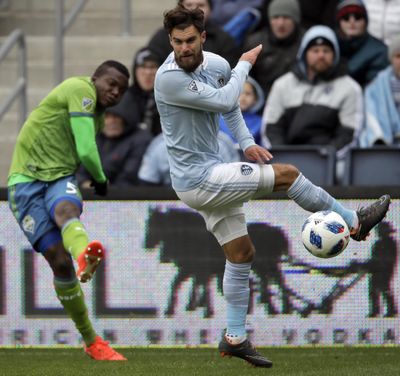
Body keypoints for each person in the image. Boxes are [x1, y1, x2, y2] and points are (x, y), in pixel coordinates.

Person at [154, 5, 390, 367]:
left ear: (202, 37)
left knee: (242, 254)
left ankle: (234, 337)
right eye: (176, 42)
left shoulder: (216, 65)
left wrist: (247, 141)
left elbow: (228, 107)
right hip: (197, 179)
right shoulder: (167, 77)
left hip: (211, 173)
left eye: (189, 40)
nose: (183, 48)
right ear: (170, 41)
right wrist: (245, 64)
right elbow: (224, 98)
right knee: (288, 175)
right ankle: (355, 222)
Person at [7, 61, 129, 361]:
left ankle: (84, 255)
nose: (114, 92)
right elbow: (87, 150)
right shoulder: (80, 89)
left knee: (65, 210)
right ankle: (91, 339)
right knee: (58, 264)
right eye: (110, 84)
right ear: (95, 79)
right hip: (25, 183)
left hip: (60, 178)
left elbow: (76, 151)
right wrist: (100, 181)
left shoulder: (96, 113)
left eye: (121, 90)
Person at [261, 25, 363, 161]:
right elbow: (271, 128)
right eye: (315, 50)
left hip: (329, 162)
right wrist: (283, 158)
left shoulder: (349, 87)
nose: (321, 55)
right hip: (287, 160)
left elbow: (349, 134)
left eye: (326, 51)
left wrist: (323, 161)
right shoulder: (282, 84)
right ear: (304, 53)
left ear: (335, 54)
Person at [76, 93, 153, 188]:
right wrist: (84, 183)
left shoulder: (141, 140)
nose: (111, 121)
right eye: (106, 117)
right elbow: (78, 171)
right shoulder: (92, 136)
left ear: (127, 117)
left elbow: (129, 179)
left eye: (116, 116)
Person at [147, 0, 240, 68]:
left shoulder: (223, 39)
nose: (194, 9)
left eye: (201, 5)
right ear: (170, 39)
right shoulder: (160, 38)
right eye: (189, 4)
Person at [243, 0, 305, 99]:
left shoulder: (306, 43)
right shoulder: (254, 43)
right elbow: (246, 78)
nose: (280, 23)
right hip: (261, 100)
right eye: (275, 17)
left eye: (286, 17)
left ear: (295, 20)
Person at [138, 131, 241, 186]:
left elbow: (234, 184)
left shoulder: (223, 144)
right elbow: (147, 184)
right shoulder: (160, 145)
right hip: (169, 206)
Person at [335, 0, 389, 87]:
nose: (352, 21)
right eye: (345, 17)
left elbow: (373, 90)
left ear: (365, 21)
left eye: (357, 17)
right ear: (339, 22)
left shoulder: (380, 52)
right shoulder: (330, 46)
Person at [358, 35, 400, 147]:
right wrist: (380, 139)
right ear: (391, 59)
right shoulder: (376, 86)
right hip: (384, 146)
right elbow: (371, 116)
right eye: (398, 56)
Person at [125, 47, 162, 137]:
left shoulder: (169, 98)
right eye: (143, 66)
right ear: (135, 70)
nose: (148, 72)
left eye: (153, 66)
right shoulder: (124, 98)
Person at [219, 76, 264, 145]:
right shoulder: (216, 120)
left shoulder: (260, 122)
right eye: (239, 92)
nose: (243, 97)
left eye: (248, 94)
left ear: (255, 99)